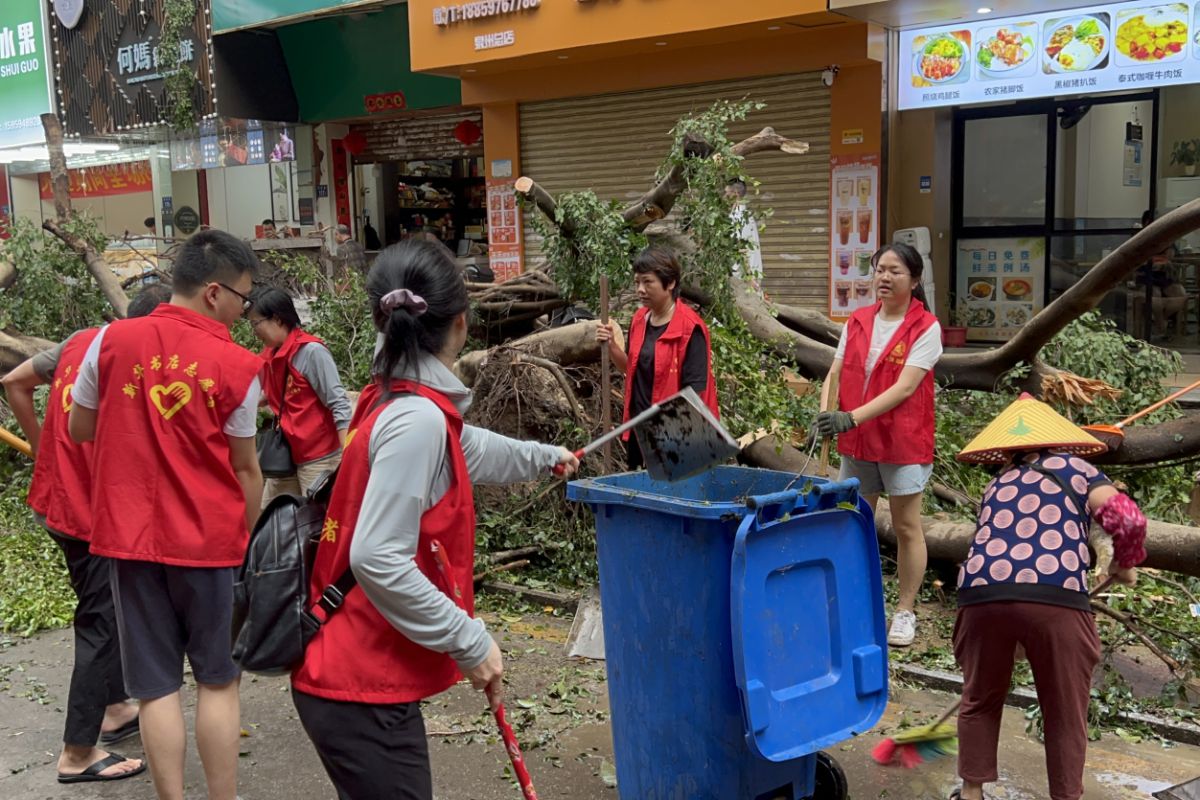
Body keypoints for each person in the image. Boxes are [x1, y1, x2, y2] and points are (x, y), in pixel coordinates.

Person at [290, 240, 579, 799]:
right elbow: (376, 557)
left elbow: (466, 447)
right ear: (461, 323)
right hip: (355, 679)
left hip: (356, 674)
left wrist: (543, 456)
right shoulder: (415, 418)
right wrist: (468, 639)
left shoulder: (397, 400)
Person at [68, 229, 265, 800]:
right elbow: (246, 468)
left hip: (130, 540)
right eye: (243, 297)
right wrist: (247, 540)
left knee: (155, 688)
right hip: (210, 543)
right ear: (213, 292)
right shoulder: (237, 365)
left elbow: (80, 427)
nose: (244, 310)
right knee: (218, 681)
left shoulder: (110, 340)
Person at [0, 284, 170, 785]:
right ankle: (76, 752)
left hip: (57, 504)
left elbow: (14, 382)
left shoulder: (81, 341)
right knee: (102, 621)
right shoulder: (136, 362)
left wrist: (42, 449)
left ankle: (115, 708)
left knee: (106, 607)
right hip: (88, 514)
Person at [949, 394, 1146, 800]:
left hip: (980, 596)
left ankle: (970, 792)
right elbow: (1129, 519)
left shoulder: (997, 482)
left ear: (1006, 448)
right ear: (1060, 440)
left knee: (980, 698)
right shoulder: (1079, 469)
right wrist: (1125, 564)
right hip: (1054, 597)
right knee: (1064, 711)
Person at [813, 241, 942, 647]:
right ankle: (855, 600)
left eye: (895, 271)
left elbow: (905, 388)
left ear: (915, 280)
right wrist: (826, 413)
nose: (884, 277)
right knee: (854, 519)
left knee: (906, 525)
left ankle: (904, 610)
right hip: (857, 441)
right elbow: (835, 372)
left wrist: (850, 417)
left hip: (902, 439)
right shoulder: (857, 320)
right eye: (880, 270)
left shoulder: (927, 327)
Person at [595, 246, 719, 470]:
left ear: (670, 283)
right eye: (637, 282)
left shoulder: (690, 328)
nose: (640, 290)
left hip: (676, 439)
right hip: (638, 431)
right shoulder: (639, 320)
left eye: (647, 282)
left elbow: (694, 395)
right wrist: (612, 346)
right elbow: (631, 369)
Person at [248, 287, 351, 504]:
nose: (254, 331)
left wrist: (349, 455)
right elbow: (274, 394)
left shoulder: (311, 352)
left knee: (314, 519)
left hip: (319, 457)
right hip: (286, 455)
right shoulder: (271, 355)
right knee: (271, 514)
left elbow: (338, 403)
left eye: (256, 324)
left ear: (277, 319)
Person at [726, 178, 765, 296]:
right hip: (741, 277)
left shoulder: (740, 217)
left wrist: (750, 277)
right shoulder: (737, 215)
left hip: (744, 279)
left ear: (736, 194)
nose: (725, 196)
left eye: (727, 193)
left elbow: (742, 247)